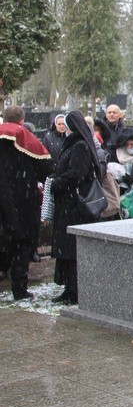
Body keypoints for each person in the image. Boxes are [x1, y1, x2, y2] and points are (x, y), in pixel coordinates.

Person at [0, 106, 52, 300]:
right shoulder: (25, 138)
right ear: (22, 120)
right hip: (22, 201)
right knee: (21, 246)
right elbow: (46, 166)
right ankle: (19, 288)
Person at [50, 111, 102, 304]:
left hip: (75, 206)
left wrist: (57, 183)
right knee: (67, 249)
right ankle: (69, 289)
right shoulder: (74, 143)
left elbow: (76, 174)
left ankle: (75, 290)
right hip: (68, 204)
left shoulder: (79, 145)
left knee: (72, 249)